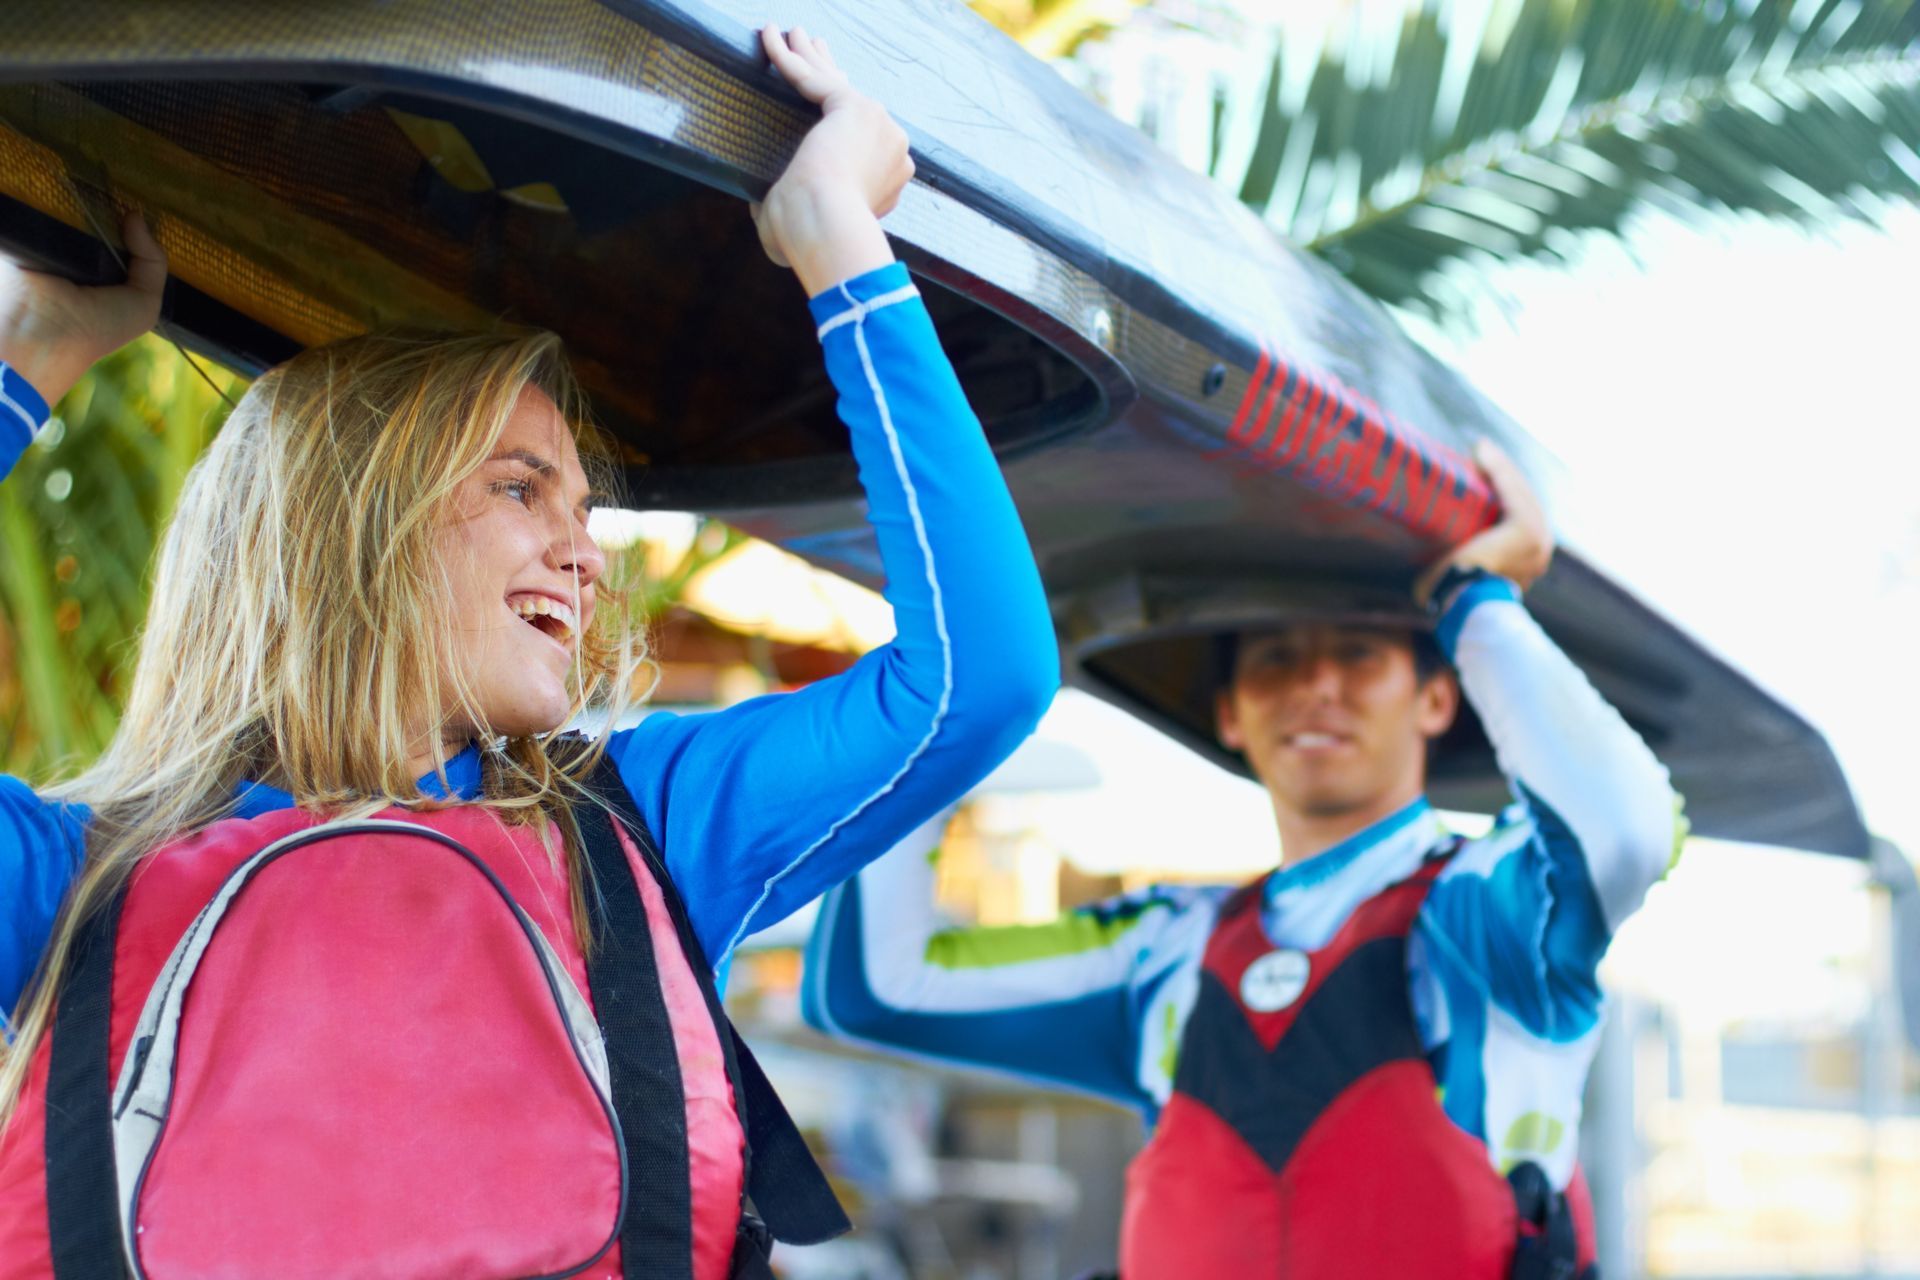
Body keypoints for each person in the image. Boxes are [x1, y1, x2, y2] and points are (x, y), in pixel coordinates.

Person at [0, 28, 1056, 1279]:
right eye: (522, 488)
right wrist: (34, 357)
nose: (586, 555)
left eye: (585, 511)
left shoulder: (628, 829)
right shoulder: (74, 874)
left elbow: (976, 678)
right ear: (355, 521)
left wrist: (840, 241)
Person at [801, 444, 1685, 1278]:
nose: (1315, 686)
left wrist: (1477, 601)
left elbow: (1623, 831)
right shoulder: (1165, 950)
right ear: (1230, 717)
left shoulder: (1483, 920)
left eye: (1357, 653)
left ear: (1437, 697)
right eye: (1274, 660)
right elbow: (877, 987)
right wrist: (952, 695)